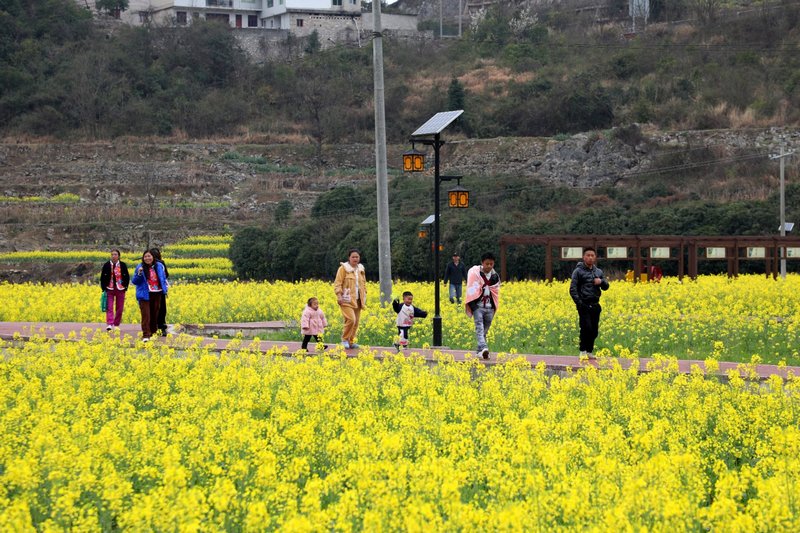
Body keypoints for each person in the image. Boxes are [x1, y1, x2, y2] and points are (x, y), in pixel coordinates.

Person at [569, 247, 610, 359]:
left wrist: (601, 282)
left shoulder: (598, 271)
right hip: (584, 304)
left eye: (592, 255)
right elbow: (572, 289)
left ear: (595, 257)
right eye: (588, 255)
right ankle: (582, 350)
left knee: (594, 331)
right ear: (584, 257)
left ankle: (589, 351)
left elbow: (606, 286)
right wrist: (580, 303)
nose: (590, 257)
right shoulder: (578, 271)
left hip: (595, 304)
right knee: (586, 327)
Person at [464, 252, 501, 360]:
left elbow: (495, 291)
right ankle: (484, 348)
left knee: (485, 330)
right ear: (482, 263)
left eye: (491, 264)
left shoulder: (495, 276)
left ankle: (479, 352)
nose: (489, 266)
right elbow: (471, 289)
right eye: (487, 264)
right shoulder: (475, 274)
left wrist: (494, 307)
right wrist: (473, 306)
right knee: (479, 328)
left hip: (490, 307)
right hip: (478, 306)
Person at [131, 250, 168, 342]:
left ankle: (153, 333)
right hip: (145, 294)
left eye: (149, 256)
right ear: (143, 258)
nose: (147, 258)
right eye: (145, 257)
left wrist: (165, 289)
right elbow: (134, 281)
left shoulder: (159, 266)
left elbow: (163, 277)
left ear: (153, 257)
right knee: (146, 315)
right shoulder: (140, 267)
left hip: (157, 292)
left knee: (154, 314)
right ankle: (146, 335)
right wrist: (139, 273)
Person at [334, 249, 367, 349]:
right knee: (351, 319)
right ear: (349, 258)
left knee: (356, 322)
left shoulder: (361, 269)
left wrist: (365, 294)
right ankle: (344, 339)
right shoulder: (343, 269)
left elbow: (363, 283)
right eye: (353, 257)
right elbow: (338, 283)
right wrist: (339, 295)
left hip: (358, 299)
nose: (355, 259)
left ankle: (351, 341)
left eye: (357, 257)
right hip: (346, 299)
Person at [99, 249, 130, 331]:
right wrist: (103, 287)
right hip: (110, 288)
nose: (113, 256)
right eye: (112, 254)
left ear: (118, 256)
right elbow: (102, 277)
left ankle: (116, 324)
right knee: (109, 307)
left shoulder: (123, 265)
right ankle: (109, 324)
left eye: (115, 254)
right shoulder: (106, 265)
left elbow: (127, 276)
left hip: (120, 288)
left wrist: (125, 286)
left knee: (120, 308)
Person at [150, 248, 170, 336]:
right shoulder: (161, 263)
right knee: (161, 309)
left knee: (153, 309)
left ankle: (154, 327)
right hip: (159, 290)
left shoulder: (158, 264)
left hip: (154, 290)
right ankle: (161, 327)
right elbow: (167, 274)